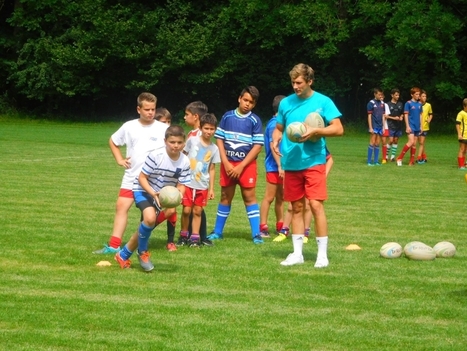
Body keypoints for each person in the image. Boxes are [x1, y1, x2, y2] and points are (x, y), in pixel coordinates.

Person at [272, 63, 343, 268]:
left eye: (300, 82)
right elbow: (279, 128)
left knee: (315, 205)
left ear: (310, 81)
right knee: (296, 207)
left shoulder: (323, 101)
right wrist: (275, 140)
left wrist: (316, 131)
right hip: (291, 162)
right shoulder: (285, 103)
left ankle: (322, 255)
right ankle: (297, 254)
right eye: (293, 82)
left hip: (314, 161)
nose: (296, 86)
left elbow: (338, 129)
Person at [93, 92, 168, 254]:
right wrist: (119, 159)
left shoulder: (163, 129)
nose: (150, 113)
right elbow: (113, 141)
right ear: (138, 109)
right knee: (121, 206)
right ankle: (114, 246)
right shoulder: (129, 126)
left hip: (153, 180)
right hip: (132, 176)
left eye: (153, 109)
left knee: (153, 213)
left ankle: (140, 241)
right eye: (147, 109)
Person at [114, 125, 191, 271]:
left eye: (179, 143)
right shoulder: (156, 156)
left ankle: (123, 254)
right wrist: (153, 193)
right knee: (149, 219)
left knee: (154, 221)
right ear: (165, 141)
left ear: (184, 143)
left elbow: (182, 185)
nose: (176, 146)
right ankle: (142, 253)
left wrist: (178, 195)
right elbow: (142, 178)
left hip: (162, 195)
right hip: (143, 189)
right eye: (172, 142)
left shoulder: (185, 162)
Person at [207, 86, 265, 244]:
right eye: (245, 100)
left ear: (254, 105)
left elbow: (257, 146)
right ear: (239, 99)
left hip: (246, 166)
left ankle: (256, 234)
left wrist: (241, 166)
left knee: (249, 197)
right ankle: (218, 232)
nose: (247, 104)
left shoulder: (255, 121)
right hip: (228, 164)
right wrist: (225, 162)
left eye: (251, 102)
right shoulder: (227, 117)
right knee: (225, 196)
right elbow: (219, 139)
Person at [274, 148, 333, 243]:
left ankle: (305, 232)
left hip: (311, 177)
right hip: (296, 175)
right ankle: (284, 231)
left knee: (310, 205)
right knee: (293, 206)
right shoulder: (293, 145)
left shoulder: (315, 145)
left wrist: (323, 175)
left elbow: (330, 159)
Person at [180, 113, 221, 247]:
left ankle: (195, 238)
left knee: (197, 211)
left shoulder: (214, 149)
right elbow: (183, 156)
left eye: (212, 129)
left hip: (202, 184)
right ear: (201, 128)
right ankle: (183, 235)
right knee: (186, 210)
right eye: (206, 128)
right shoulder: (192, 141)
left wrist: (211, 189)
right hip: (187, 182)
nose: (209, 132)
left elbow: (212, 169)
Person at [176, 101, 210, 246]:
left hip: (197, 178)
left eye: (187, 114)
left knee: (197, 208)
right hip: (189, 177)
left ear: (196, 116)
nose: (185, 117)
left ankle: (201, 236)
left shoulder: (202, 134)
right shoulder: (191, 134)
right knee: (189, 208)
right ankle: (191, 235)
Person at [259, 95, 286, 238]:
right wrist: (280, 165)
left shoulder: (282, 124)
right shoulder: (273, 125)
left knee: (281, 198)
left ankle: (280, 225)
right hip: (274, 167)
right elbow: (272, 145)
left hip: (283, 167)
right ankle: (262, 227)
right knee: (269, 197)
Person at [154, 107, 178, 251]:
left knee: (171, 210)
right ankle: (144, 231)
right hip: (154, 181)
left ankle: (170, 241)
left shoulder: (173, 139)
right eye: (163, 122)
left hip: (171, 180)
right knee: (149, 212)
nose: (167, 125)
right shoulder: (155, 141)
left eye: (168, 122)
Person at [396, 87, 423, 166]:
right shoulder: (408, 103)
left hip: (417, 126)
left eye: (419, 94)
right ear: (412, 95)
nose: (418, 96)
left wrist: (421, 126)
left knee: (414, 144)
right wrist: (407, 126)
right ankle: (399, 158)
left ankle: (411, 161)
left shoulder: (419, 104)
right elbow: (406, 115)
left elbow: (420, 115)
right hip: (411, 125)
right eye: (416, 94)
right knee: (410, 142)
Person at [366, 88, 385, 166]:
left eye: (381, 94)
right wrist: (370, 127)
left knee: (377, 143)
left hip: (380, 126)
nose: (380, 96)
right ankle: (369, 161)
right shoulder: (371, 103)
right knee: (372, 142)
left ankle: (376, 161)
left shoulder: (382, 103)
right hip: (374, 125)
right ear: (375, 94)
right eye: (379, 94)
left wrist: (383, 127)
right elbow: (369, 116)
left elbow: (383, 116)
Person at [385, 89, 404, 161]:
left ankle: (392, 157)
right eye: (396, 95)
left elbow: (402, 113)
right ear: (392, 95)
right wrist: (394, 118)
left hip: (398, 125)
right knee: (390, 140)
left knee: (396, 140)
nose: (397, 96)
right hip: (390, 125)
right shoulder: (387, 104)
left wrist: (401, 117)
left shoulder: (400, 104)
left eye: (398, 95)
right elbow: (386, 116)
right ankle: (386, 156)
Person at [417, 90, 433, 164]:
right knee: (421, 143)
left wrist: (429, 119)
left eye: (425, 96)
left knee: (422, 142)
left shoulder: (428, 105)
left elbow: (431, 114)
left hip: (425, 127)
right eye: (423, 96)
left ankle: (419, 158)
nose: (424, 98)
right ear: (419, 97)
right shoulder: (417, 105)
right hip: (417, 126)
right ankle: (424, 157)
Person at [455, 98, 467, 169]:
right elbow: (457, 124)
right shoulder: (461, 113)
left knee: (466, 150)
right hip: (463, 135)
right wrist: (459, 134)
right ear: (464, 106)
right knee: (462, 149)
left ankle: (465, 164)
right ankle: (461, 165)